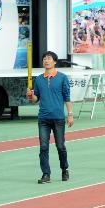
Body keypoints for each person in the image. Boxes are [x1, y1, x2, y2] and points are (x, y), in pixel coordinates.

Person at [26, 51, 73, 184]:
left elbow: (67, 97)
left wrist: (70, 115)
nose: (46, 61)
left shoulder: (62, 77)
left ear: (55, 62)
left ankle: (64, 169)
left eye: (49, 59)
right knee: (44, 147)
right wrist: (30, 95)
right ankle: (46, 174)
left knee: (60, 146)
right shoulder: (39, 79)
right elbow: (35, 99)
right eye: (44, 59)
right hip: (43, 119)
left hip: (58, 118)